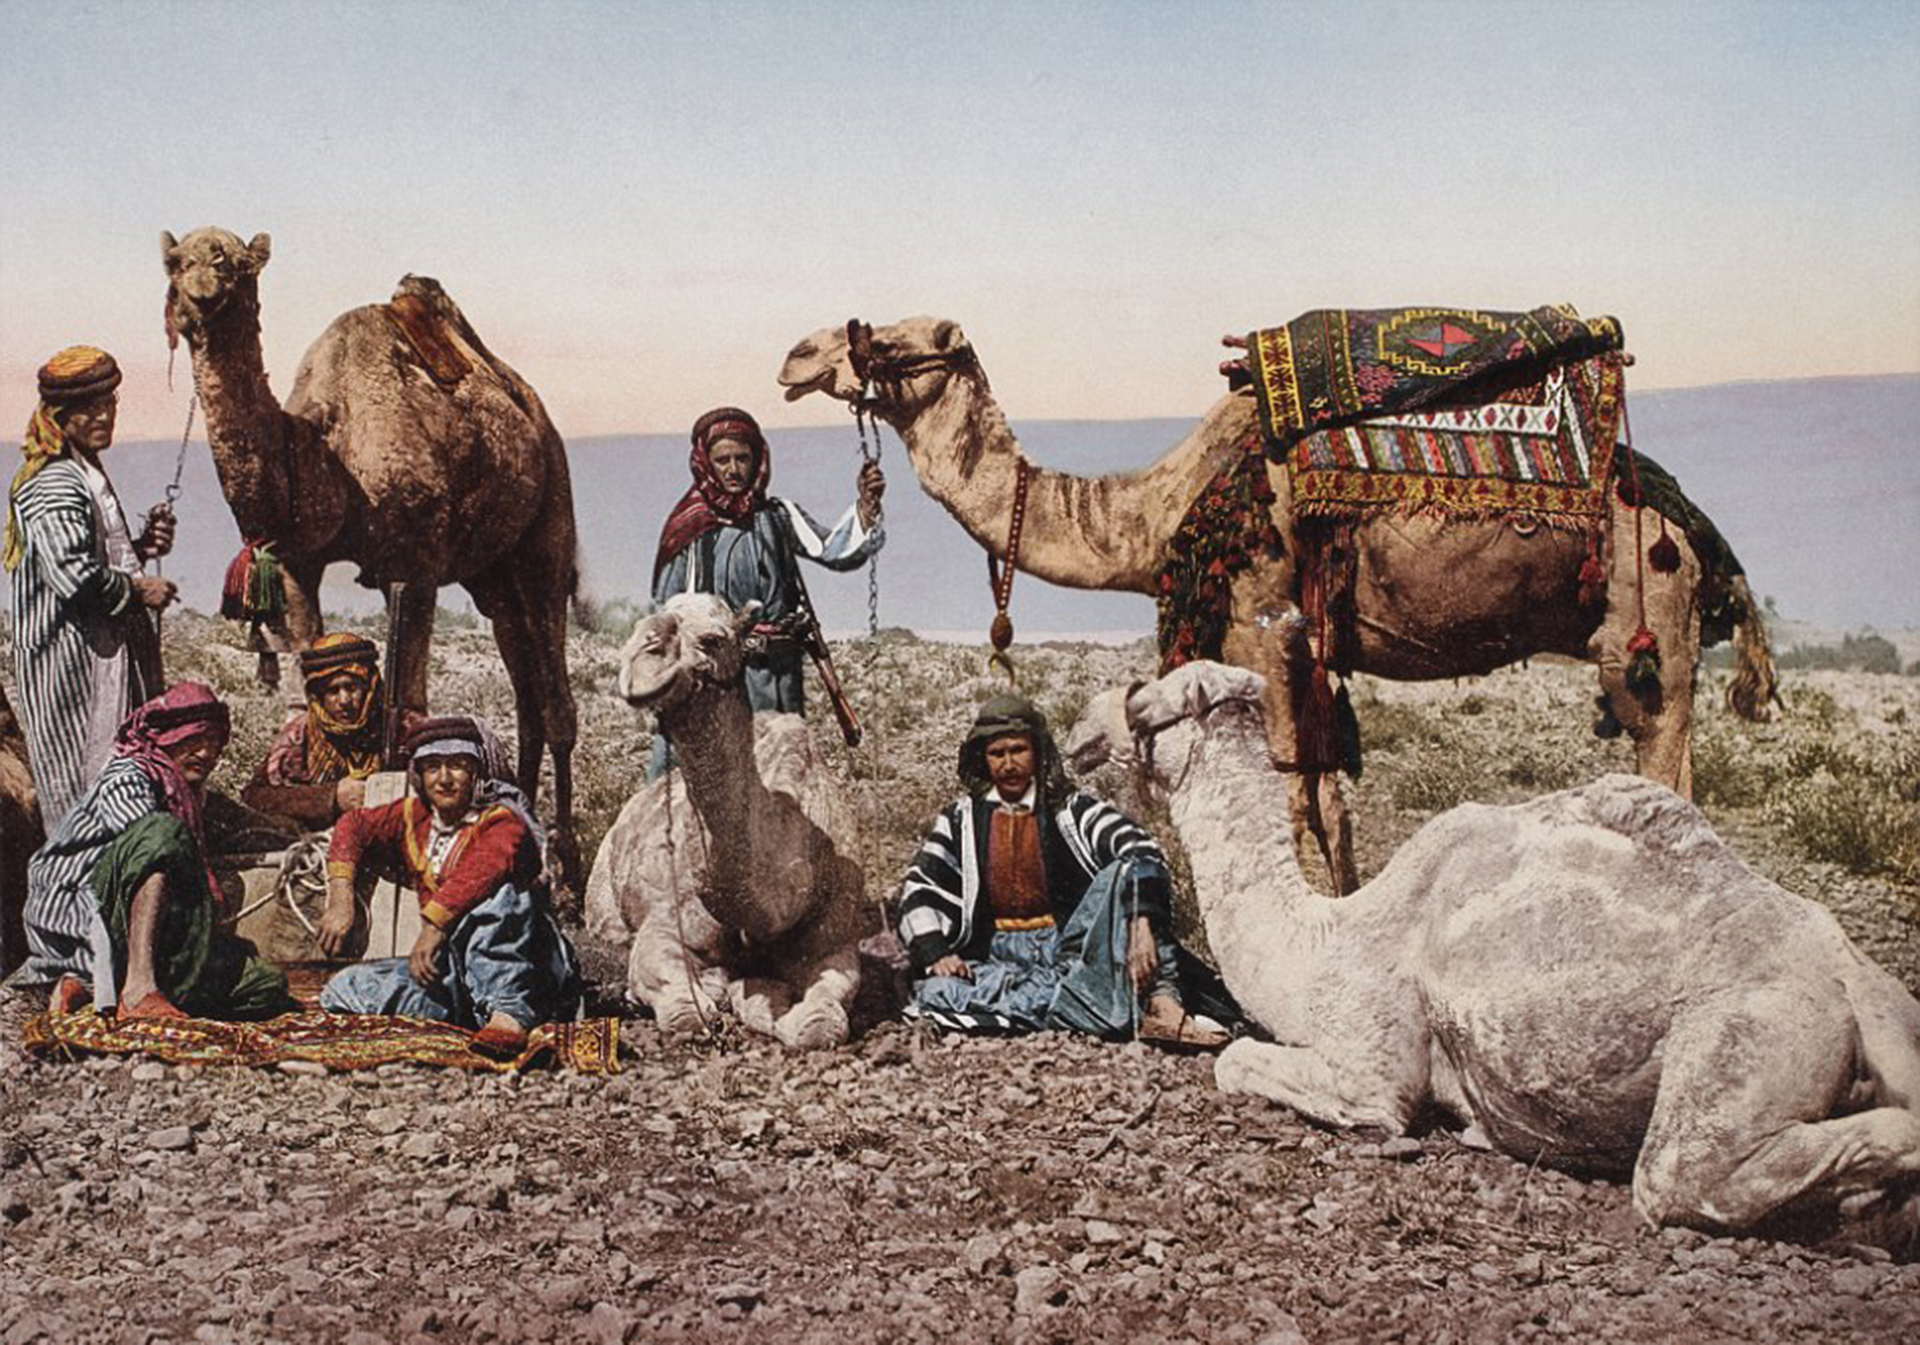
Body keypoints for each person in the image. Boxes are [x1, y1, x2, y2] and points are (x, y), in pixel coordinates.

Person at [897, 693, 1231, 1048]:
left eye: (1018, 750)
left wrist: (1140, 922)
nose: (1009, 764)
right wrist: (936, 953)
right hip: (995, 961)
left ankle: (1158, 1003)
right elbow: (920, 888)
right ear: (983, 758)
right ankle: (1100, 1008)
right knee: (936, 993)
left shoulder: (1070, 811)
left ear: (1037, 753)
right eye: (997, 754)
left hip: (1072, 951)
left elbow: (1139, 848)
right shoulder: (961, 820)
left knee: (1127, 872)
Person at [18, 683, 295, 1020]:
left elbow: (244, 826)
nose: (206, 755)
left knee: (265, 985)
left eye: (213, 745)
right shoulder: (128, 775)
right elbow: (151, 844)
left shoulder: (189, 792)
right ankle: (136, 989)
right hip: (85, 916)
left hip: (153, 930)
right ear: (168, 738)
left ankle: (91, 988)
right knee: (163, 832)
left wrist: (288, 832)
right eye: (194, 741)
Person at [315, 716, 580, 1057]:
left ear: (476, 773)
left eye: (457, 766)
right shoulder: (413, 817)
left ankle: (509, 1014)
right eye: (432, 767)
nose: (444, 779)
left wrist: (434, 925)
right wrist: (341, 899)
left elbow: (484, 867)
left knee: (495, 895)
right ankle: (468, 1015)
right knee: (346, 989)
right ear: (419, 776)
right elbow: (353, 825)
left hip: (527, 971)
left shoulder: (503, 818)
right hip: (453, 968)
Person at [648, 406, 884, 772]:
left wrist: (867, 508)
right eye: (722, 459)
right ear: (705, 463)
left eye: (742, 458)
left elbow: (835, 549)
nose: (733, 469)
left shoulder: (778, 516)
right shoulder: (690, 527)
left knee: (782, 772)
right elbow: (666, 610)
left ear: (757, 459)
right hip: (715, 677)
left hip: (777, 675)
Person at [5, 347, 176, 827]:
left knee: (122, 778)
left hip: (105, 657)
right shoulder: (54, 482)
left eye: (109, 404)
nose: (103, 417)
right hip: (74, 667)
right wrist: (140, 591)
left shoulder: (85, 470)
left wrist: (141, 547)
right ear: (59, 416)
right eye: (88, 409)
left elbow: (96, 557)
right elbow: (72, 575)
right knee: (84, 790)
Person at [241, 632, 400, 831]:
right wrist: (330, 797)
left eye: (352, 688)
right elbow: (255, 796)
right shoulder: (299, 735)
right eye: (333, 691)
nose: (344, 701)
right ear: (318, 696)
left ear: (370, 688)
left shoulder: (396, 730)